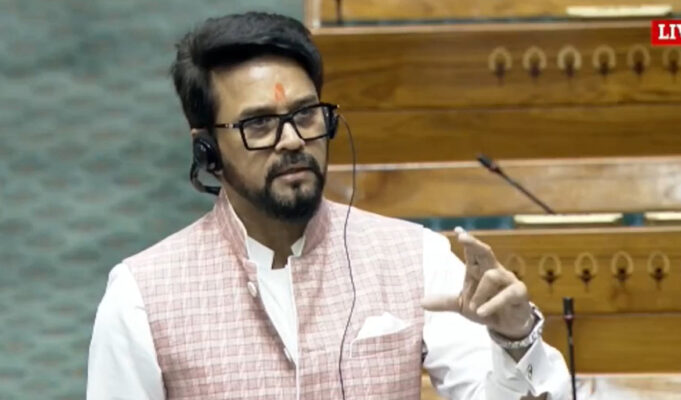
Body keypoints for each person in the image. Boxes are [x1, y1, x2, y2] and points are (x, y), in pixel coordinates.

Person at [87, 12, 570, 400]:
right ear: (206, 149)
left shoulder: (414, 258)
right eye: (259, 124)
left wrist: (515, 339)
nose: (292, 140)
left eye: (305, 114)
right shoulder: (141, 297)